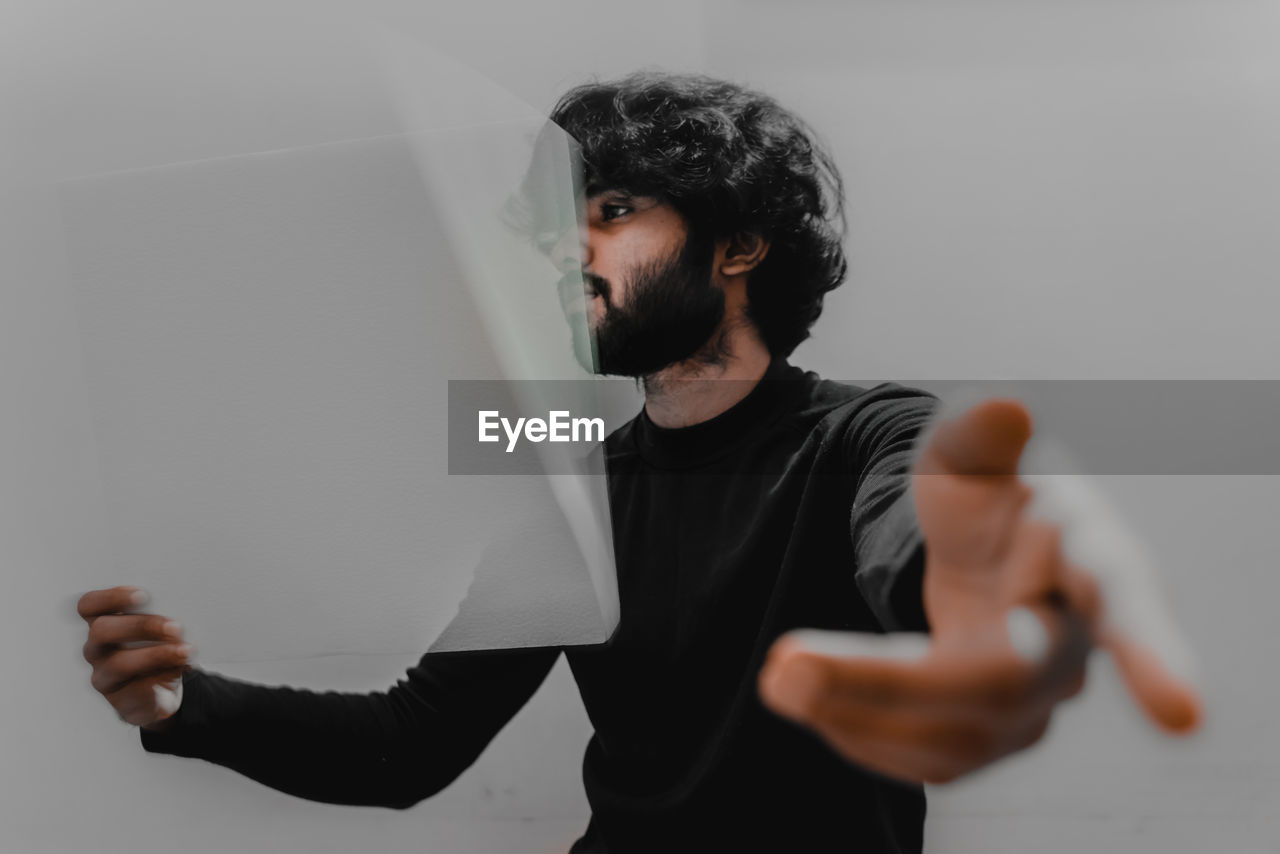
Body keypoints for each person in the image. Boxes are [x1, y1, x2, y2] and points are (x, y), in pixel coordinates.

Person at [76, 72, 1201, 853]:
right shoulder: (572, 482)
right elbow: (408, 744)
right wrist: (182, 701)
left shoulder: (864, 434)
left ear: (739, 243)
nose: (570, 248)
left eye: (610, 209)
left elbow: (923, 534)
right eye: (557, 223)